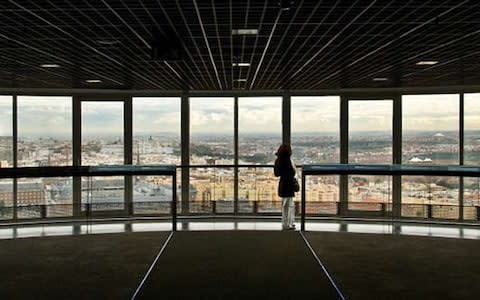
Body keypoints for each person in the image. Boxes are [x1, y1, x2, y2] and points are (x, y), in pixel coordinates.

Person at [274, 144, 297, 230]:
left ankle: (286, 223)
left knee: (285, 205)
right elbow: (292, 172)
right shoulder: (288, 160)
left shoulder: (278, 160)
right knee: (289, 205)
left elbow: (276, 173)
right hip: (289, 184)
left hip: (282, 184)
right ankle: (288, 223)